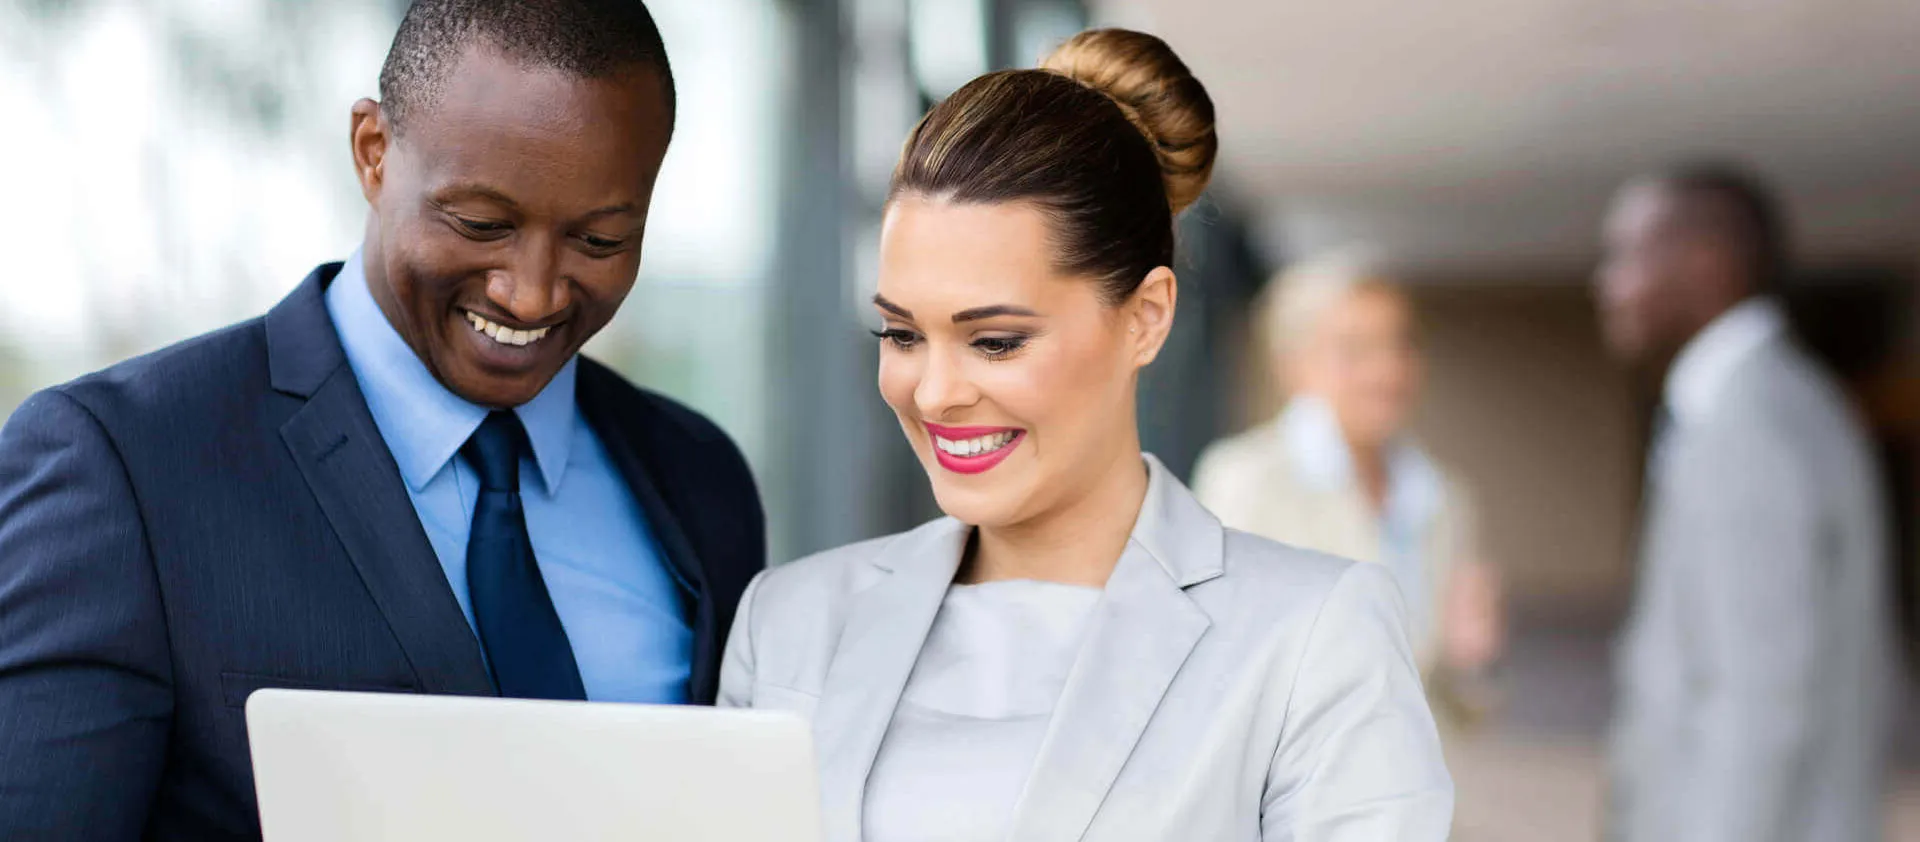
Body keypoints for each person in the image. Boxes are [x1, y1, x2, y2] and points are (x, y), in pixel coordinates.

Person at [0, 1, 765, 838]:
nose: (532, 291)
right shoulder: (123, 467)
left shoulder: (699, 482)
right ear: (373, 152)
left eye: (600, 241)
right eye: (481, 224)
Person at [719, 29, 1451, 842]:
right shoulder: (787, 622)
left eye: (995, 341)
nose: (933, 392)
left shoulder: (1313, 636)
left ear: (1145, 318)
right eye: (901, 334)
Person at [1596, 162, 1897, 842]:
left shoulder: (1749, 428)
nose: (1605, 283)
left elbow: (1757, 699)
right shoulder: (1780, 402)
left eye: (1624, 256)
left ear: (1705, 264)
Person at [1191, 256, 1504, 719]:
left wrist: (1473, 663)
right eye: (1356, 350)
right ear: (1292, 365)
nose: (1388, 371)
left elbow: (1463, 708)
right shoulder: (1246, 481)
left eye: (1401, 345)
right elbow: (1214, 670)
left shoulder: (1443, 498)